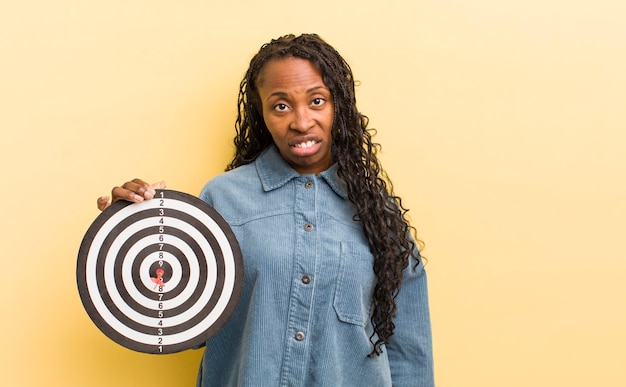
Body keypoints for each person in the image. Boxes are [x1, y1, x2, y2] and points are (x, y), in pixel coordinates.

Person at [98, 33, 434, 387]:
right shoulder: (222, 198)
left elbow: (410, 354)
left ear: (341, 107)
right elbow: (185, 323)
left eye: (317, 101)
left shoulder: (377, 214)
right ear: (262, 114)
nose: (302, 122)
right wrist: (129, 231)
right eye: (281, 106)